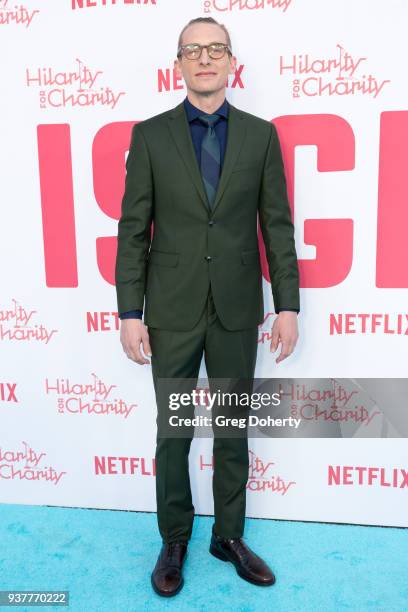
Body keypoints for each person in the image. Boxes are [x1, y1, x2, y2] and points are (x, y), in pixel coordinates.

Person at [115, 16, 300, 597]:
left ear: (230, 63)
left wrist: (288, 305)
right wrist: (129, 312)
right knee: (174, 430)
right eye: (193, 50)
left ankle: (229, 537)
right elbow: (132, 230)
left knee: (232, 428)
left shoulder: (261, 135)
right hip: (170, 307)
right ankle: (174, 539)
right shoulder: (149, 136)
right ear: (178, 64)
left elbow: (276, 225)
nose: (205, 59)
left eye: (215, 49)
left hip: (239, 307)